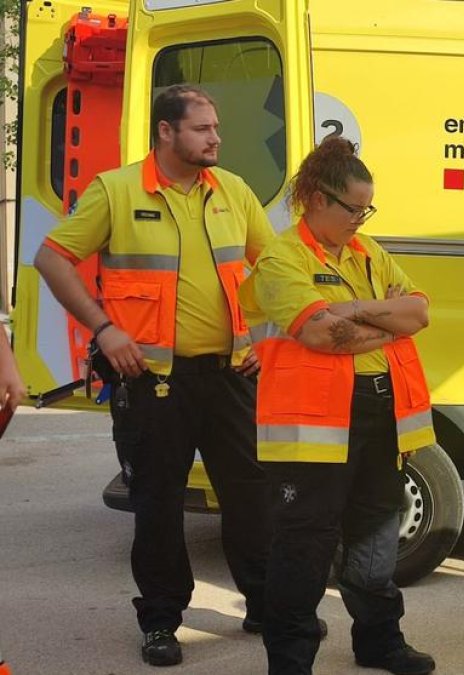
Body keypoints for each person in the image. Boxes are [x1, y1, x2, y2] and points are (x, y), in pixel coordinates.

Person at [34, 84, 275, 667]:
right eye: (203, 128)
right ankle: (163, 621)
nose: (216, 138)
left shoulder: (233, 191)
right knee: (158, 505)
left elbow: (275, 269)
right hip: (153, 381)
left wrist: (267, 337)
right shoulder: (116, 191)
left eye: (216, 127)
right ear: (166, 132)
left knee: (252, 497)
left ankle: (268, 606)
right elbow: (51, 257)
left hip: (229, 375)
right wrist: (104, 329)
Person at [239, 135, 436, 675]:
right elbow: (323, 336)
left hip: (380, 410)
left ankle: (379, 642)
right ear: (317, 200)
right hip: (314, 421)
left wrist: (356, 308)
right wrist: (384, 325)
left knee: (377, 532)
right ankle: (291, 659)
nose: (362, 219)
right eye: (354, 208)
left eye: (367, 208)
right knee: (305, 545)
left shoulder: (368, 253)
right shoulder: (283, 258)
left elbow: (419, 312)